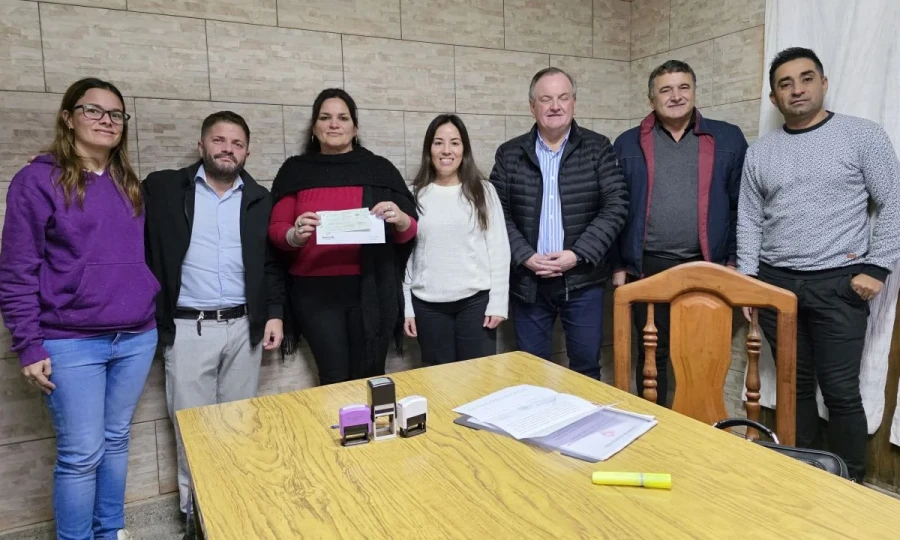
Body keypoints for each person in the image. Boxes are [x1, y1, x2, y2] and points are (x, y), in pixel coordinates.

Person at [0, 78, 158, 540]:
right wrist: (27, 345)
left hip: (135, 335)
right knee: (81, 452)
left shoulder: (129, 181)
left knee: (115, 442)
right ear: (68, 117)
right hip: (70, 342)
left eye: (116, 115)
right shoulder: (36, 180)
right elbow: (16, 270)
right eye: (94, 110)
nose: (106, 121)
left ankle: (110, 532)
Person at [737, 47, 900, 482]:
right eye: (785, 84)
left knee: (842, 391)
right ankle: (805, 476)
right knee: (793, 388)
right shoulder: (761, 152)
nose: (797, 90)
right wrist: (749, 282)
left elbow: (894, 203)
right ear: (774, 99)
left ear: (823, 84)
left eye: (806, 79)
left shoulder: (862, 135)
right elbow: (749, 218)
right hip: (776, 285)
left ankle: (851, 485)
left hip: (839, 284)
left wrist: (877, 268)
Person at [142, 111, 284, 534]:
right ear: (201, 146)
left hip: (245, 328)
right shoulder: (164, 188)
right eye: (219, 141)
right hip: (189, 328)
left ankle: (234, 509)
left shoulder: (259, 197)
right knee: (192, 428)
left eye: (237, 143)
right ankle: (197, 518)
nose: (227, 149)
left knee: (239, 426)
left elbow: (271, 262)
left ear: (247, 151)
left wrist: (274, 313)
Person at [613, 60, 748, 405]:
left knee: (702, 357)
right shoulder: (628, 143)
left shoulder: (728, 137)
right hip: (646, 267)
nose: (676, 96)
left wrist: (734, 260)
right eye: (666, 89)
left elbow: (741, 206)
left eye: (683, 87)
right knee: (651, 357)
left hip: (706, 266)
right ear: (651, 98)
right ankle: (653, 430)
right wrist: (617, 266)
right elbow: (615, 207)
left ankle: (700, 434)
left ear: (694, 91)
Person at [268, 88, 417, 385]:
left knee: (371, 375)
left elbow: (409, 233)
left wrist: (399, 219)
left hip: (370, 290)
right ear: (314, 128)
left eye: (342, 118)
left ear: (355, 127)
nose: (334, 124)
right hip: (313, 294)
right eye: (325, 117)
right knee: (333, 377)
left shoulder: (379, 169)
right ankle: (345, 431)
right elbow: (276, 231)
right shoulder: (295, 171)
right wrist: (294, 235)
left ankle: (375, 431)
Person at [489, 67, 628, 380]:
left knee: (586, 368)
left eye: (563, 98)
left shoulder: (598, 148)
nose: (555, 106)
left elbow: (616, 206)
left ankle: (585, 430)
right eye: (546, 99)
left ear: (574, 103)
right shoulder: (510, 154)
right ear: (532, 106)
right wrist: (524, 255)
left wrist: (576, 255)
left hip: (582, 280)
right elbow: (497, 214)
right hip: (529, 283)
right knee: (531, 371)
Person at [402, 114, 510, 365]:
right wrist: (407, 306)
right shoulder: (414, 194)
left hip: (476, 304)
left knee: (477, 382)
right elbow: (406, 258)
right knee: (439, 383)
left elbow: (499, 249)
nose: (446, 150)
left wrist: (498, 303)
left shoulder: (484, 191)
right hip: (428, 306)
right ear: (429, 149)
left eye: (455, 143)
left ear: (464, 149)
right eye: (438, 142)